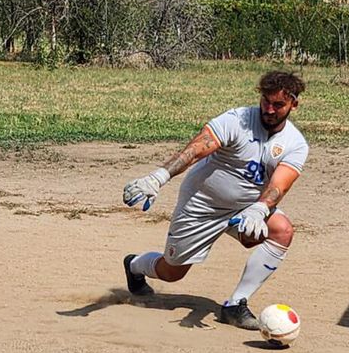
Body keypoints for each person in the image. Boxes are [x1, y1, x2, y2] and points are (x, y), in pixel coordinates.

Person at [120, 71, 309, 330]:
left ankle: (235, 304)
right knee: (172, 272)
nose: (269, 109)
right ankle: (134, 265)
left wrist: (260, 209)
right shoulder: (238, 120)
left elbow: (279, 184)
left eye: (278, 105)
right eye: (266, 101)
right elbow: (197, 148)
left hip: (246, 208)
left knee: (282, 231)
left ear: (294, 105)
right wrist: (159, 177)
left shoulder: (295, 144)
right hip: (202, 204)